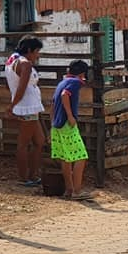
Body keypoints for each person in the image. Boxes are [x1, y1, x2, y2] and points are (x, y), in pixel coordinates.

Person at [5, 35, 45, 187]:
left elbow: (9, 85)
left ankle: (33, 175)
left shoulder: (12, 60)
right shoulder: (25, 64)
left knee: (39, 141)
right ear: (28, 50)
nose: (37, 55)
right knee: (23, 143)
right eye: (36, 51)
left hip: (29, 106)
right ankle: (24, 177)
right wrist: (12, 106)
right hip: (26, 106)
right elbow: (21, 88)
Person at [51, 60, 93, 200]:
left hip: (57, 125)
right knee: (81, 156)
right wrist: (70, 116)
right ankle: (77, 191)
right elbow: (65, 95)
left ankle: (68, 190)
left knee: (66, 158)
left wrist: (53, 122)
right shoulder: (75, 82)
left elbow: (53, 103)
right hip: (67, 125)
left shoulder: (61, 82)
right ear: (82, 74)